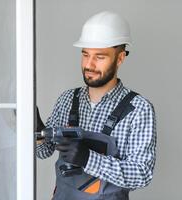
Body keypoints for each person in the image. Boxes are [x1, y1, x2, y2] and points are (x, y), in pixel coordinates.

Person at [36, 11, 157, 200]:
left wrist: (88, 158)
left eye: (99, 57)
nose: (89, 65)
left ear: (120, 58)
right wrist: (38, 131)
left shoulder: (139, 110)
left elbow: (142, 174)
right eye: (85, 55)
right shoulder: (67, 99)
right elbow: (44, 152)